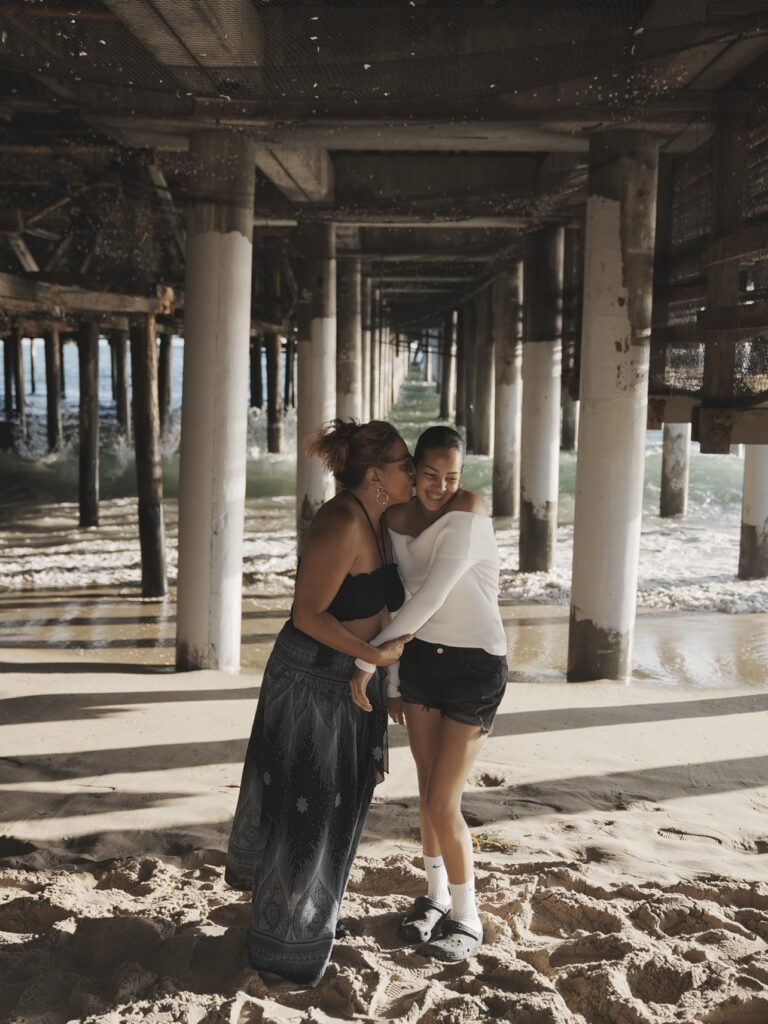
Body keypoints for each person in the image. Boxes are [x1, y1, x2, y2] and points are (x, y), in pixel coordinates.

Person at [225, 419, 415, 986]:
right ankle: (281, 949)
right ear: (376, 475)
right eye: (406, 464)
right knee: (303, 816)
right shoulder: (340, 523)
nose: (413, 472)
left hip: (348, 678)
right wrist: (371, 656)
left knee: (335, 810)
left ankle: (308, 924)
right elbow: (306, 614)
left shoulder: (378, 520)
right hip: (310, 683)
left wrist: (382, 671)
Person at [350, 425, 507, 963]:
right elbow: (399, 602)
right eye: (431, 475)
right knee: (426, 795)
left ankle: (468, 915)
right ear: (413, 470)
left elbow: (436, 594)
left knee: (445, 801)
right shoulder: (394, 519)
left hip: (475, 665)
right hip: (418, 664)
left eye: (452, 477)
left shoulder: (469, 512)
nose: (441, 487)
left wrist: (365, 660)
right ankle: (435, 897)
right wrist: (392, 676)